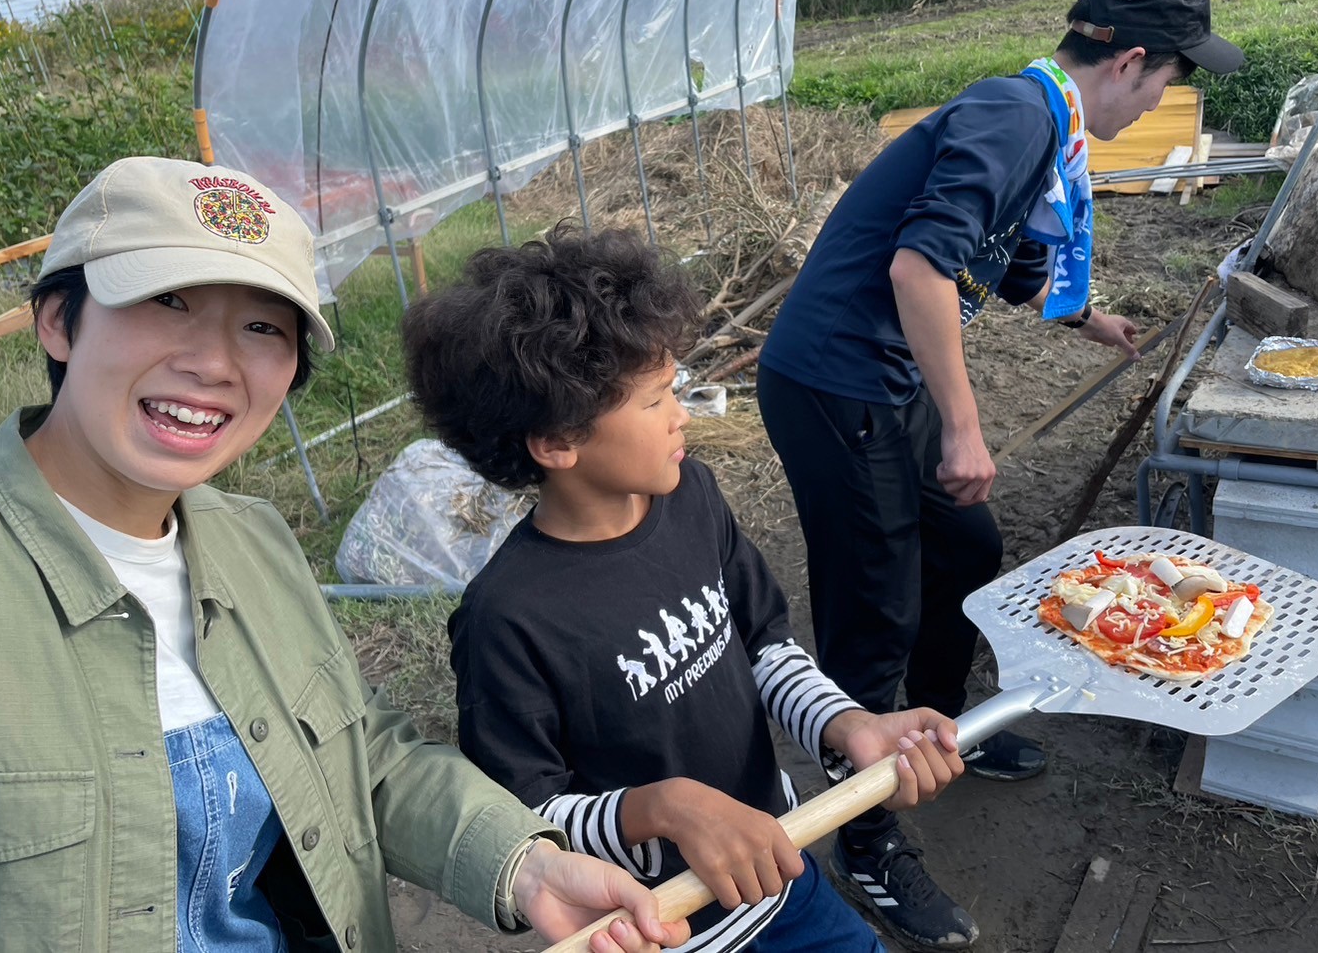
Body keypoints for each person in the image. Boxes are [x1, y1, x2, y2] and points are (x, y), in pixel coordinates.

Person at [0, 157, 690, 953]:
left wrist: (527, 867)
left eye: (263, 327)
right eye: (166, 301)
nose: (213, 363)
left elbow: (362, 755)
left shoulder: (252, 542)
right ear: (59, 320)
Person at [755, 0, 1244, 948]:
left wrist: (1091, 318)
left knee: (969, 548)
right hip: (834, 381)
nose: (1165, 102)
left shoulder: (1047, 131)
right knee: (872, 604)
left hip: (881, 379)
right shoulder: (1013, 114)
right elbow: (918, 264)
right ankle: (865, 834)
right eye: (1169, 83)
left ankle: (941, 731)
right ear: (1131, 61)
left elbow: (1017, 257)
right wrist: (966, 425)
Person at [402, 226, 968, 953]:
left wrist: (846, 725)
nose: (683, 414)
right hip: (666, 925)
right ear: (556, 442)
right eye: (654, 399)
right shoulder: (506, 619)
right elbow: (529, 811)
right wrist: (656, 809)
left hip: (780, 863)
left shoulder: (691, 497)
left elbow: (766, 647)